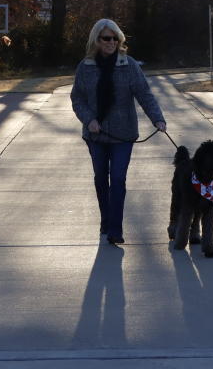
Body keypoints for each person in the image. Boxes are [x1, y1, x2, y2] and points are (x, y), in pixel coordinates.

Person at [71, 18, 166, 246]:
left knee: (119, 178)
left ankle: (115, 229)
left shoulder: (129, 64)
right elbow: (77, 98)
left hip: (123, 134)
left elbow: (144, 93)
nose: (111, 42)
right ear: (97, 39)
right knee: (101, 178)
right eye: (106, 38)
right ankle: (106, 220)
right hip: (95, 134)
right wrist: (89, 119)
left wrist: (158, 118)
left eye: (115, 38)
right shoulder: (85, 67)